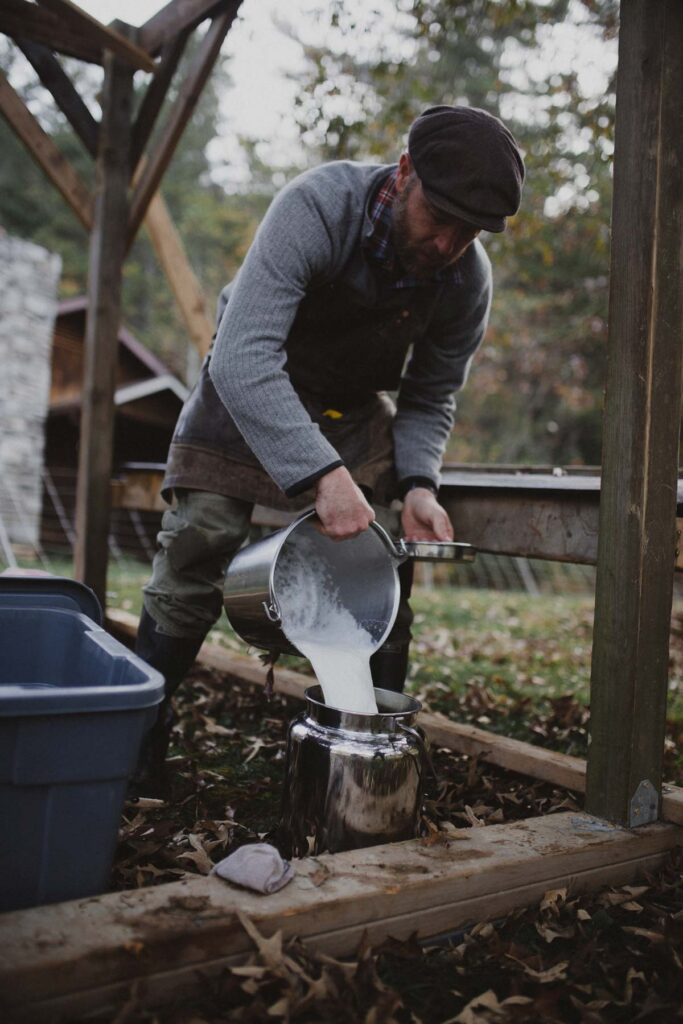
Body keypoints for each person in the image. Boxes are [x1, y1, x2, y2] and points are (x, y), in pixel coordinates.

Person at [135, 104, 525, 786]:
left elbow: (430, 396)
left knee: (381, 566)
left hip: (352, 409)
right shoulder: (316, 207)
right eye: (439, 218)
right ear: (404, 173)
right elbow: (242, 356)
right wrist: (322, 474)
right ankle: (137, 727)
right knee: (202, 533)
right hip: (252, 383)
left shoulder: (466, 279)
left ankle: (368, 746)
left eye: (470, 232)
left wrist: (417, 485)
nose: (447, 244)